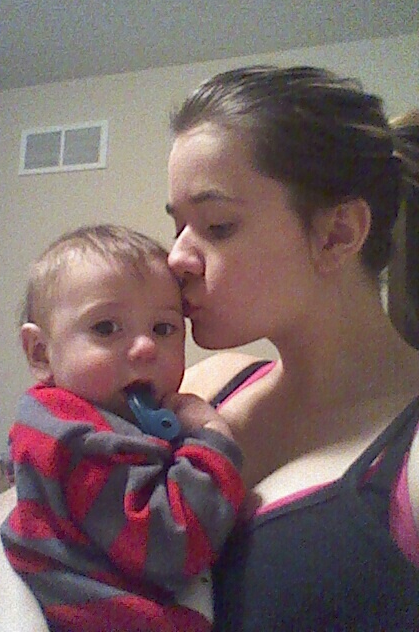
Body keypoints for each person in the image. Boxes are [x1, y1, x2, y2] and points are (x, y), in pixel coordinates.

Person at [165, 66, 419, 630]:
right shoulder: (202, 388)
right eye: (178, 226)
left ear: (337, 234)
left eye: (217, 226)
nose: (176, 258)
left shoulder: (409, 460)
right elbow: (29, 503)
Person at [0, 224, 246, 632]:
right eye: (105, 328)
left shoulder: (75, 419)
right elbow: (173, 543)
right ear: (41, 354)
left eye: (163, 329)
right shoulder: (77, 440)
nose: (146, 347)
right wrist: (211, 439)